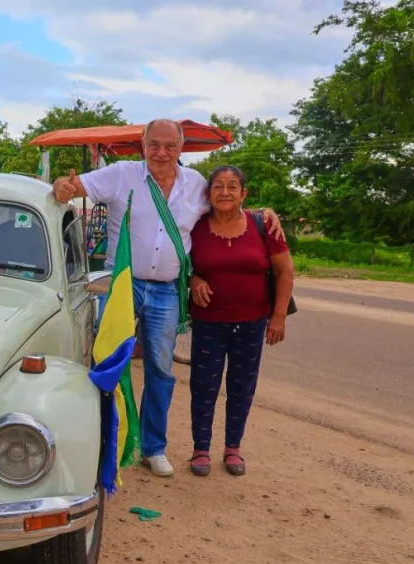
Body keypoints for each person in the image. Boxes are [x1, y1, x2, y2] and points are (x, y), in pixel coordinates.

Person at [52, 119, 285, 477]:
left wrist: (263, 212)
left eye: (170, 146)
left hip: (165, 291)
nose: (162, 152)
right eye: (155, 145)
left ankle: (153, 447)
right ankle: (101, 442)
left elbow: (228, 203)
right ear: (143, 144)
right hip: (123, 285)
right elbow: (73, 186)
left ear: (181, 148)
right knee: (107, 363)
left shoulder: (196, 184)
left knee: (160, 370)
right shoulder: (121, 174)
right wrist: (62, 186)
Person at [187, 166, 294, 477]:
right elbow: (182, 264)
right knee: (203, 387)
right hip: (208, 322)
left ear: (243, 194)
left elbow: (284, 273)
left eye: (233, 186)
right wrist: (194, 280)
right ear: (207, 194)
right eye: (217, 186)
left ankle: (233, 448)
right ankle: (201, 449)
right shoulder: (195, 227)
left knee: (241, 386)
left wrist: (278, 317)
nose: (225, 192)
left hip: (252, 322)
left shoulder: (263, 226)